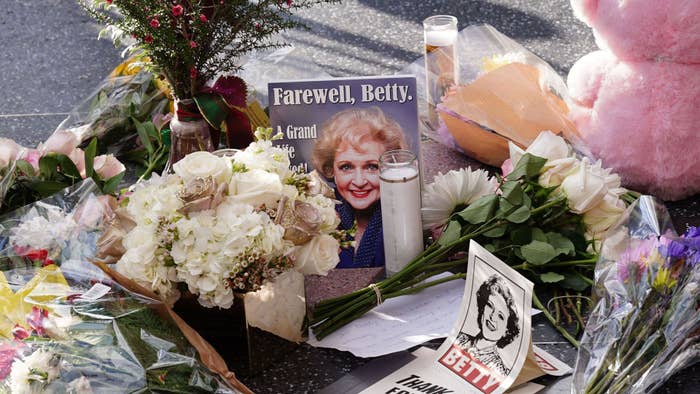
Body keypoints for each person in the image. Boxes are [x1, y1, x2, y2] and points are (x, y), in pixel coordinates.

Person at [312, 107, 408, 269]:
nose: (359, 181)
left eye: (371, 167)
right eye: (346, 167)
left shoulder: (406, 220)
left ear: (391, 168)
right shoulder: (316, 217)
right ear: (331, 169)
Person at [457, 274, 520, 376]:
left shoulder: (499, 371)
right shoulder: (458, 338)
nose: (492, 317)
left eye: (501, 316)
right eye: (490, 306)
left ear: (507, 330)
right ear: (483, 308)